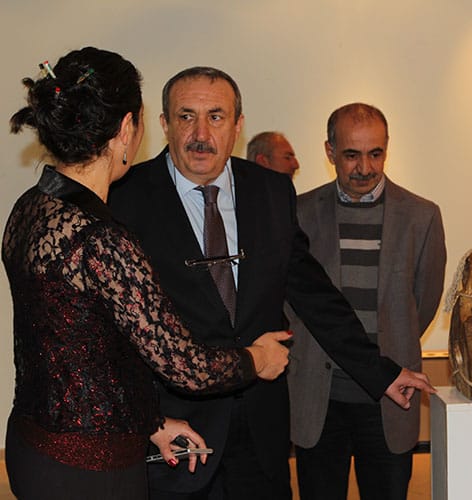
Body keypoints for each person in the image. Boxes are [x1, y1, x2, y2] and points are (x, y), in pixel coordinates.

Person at [108, 69, 435, 500]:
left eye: (216, 117)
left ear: (238, 125)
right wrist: (146, 417)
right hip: (176, 433)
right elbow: (110, 331)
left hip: (261, 432)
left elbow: (314, 296)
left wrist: (380, 372)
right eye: (186, 117)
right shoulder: (124, 198)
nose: (201, 134)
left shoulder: (270, 191)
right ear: (165, 124)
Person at [3, 48, 290, 500]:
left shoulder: (33, 206)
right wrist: (258, 358)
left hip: (33, 445)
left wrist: (151, 423)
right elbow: (185, 367)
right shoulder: (101, 237)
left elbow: (86, 352)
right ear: (126, 128)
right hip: (90, 467)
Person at [287, 102, 447, 500]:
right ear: (329, 152)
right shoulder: (299, 213)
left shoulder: (422, 216)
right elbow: (293, 302)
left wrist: (389, 347)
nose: (365, 168)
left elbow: (423, 302)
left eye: (376, 153)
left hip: (390, 398)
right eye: (352, 155)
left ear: (387, 147)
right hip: (317, 399)